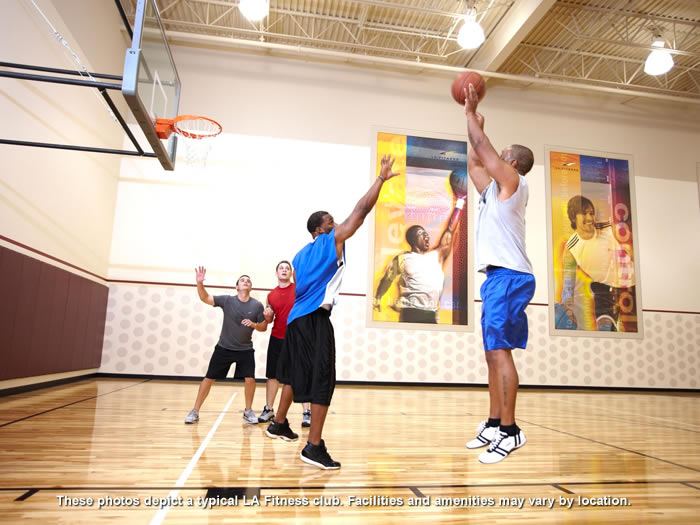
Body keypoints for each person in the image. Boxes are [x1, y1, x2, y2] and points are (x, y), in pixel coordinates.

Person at [264, 154, 400, 470]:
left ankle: (279, 423)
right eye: (330, 220)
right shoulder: (331, 241)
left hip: (296, 320)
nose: (336, 222)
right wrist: (380, 178)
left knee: (297, 377)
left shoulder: (299, 255)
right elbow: (362, 211)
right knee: (323, 379)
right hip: (313, 319)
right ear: (320, 229)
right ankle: (313, 446)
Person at [462, 83, 536, 464]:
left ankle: (511, 430)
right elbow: (475, 161)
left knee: (501, 352)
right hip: (496, 278)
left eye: (504, 155)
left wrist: (471, 113)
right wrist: (473, 126)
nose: (497, 157)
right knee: (492, 353)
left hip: (510, 275)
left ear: (515, 164)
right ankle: (494, 422)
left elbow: (484, 152)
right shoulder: (492, 192)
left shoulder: (514, 183)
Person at [184, 268, 267, 425]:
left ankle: (248, 411)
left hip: (245, 350)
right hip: (224, 348)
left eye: (248, 280)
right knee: (209, 378)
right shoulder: (227, 300)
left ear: (251, 287)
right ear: (237, 287)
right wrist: (200, 283)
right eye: (242, 280)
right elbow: (205, 297)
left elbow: (263, 327)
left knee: (250, 379)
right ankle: (195, 411)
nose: (246, 281)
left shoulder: (257, 305)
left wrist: (255, 324)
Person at [373, 182, 465, 323]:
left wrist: (460, 202)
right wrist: (378, 298)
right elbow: (387, 278)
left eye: (426, 233)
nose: (427, 236)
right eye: (422, 233)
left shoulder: (437, 255)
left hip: (431, 313)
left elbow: (450, 230)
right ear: (412, 239)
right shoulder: (402, 258)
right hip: (410, 312)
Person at [559, 195, 635, 331]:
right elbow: (568, 286)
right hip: (604, 293)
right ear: (573, 217)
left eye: (591, 213)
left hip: (629, 287)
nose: (589, 218)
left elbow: (630, 248)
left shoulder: (608, 229)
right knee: (606, 329)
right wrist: (568, 310)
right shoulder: (571, 248)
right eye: (584, 213)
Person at [257, 260, 312, 427]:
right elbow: (270, 319)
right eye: (281, 268)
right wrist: (267, 316)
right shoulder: (270, 295)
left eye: (287, 268)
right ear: (276, 273)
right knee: (273, 375)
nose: (284, 270)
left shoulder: (298, 288)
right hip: (277, 338)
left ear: (290, 273)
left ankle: (306, 412)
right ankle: (269, 409)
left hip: (297, 337)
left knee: (300, 374)